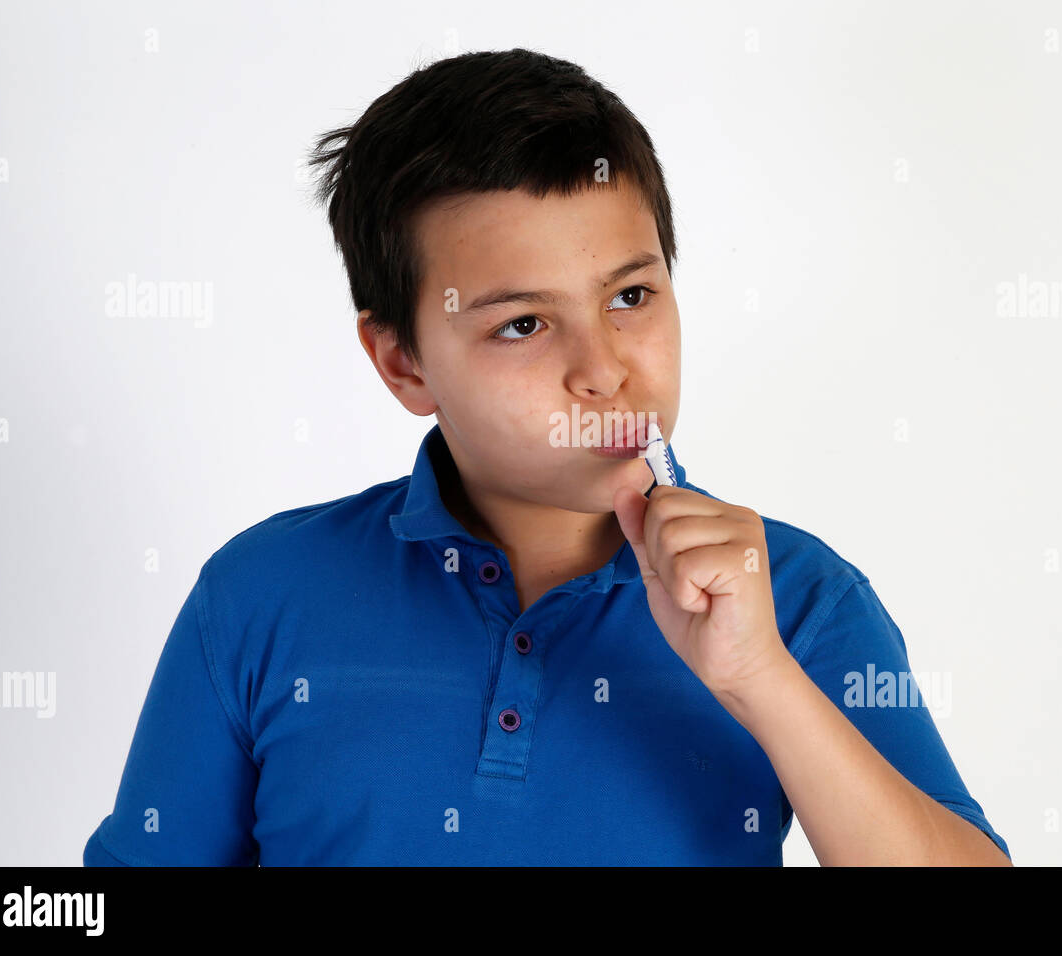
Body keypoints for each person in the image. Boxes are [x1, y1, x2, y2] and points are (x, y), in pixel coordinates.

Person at [84, 48, 1010, 866]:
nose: (603, 371)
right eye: (523, 323)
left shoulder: (796, 599)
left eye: (631, 296)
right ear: (403, 361)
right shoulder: (259, 597)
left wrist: (758, 677)